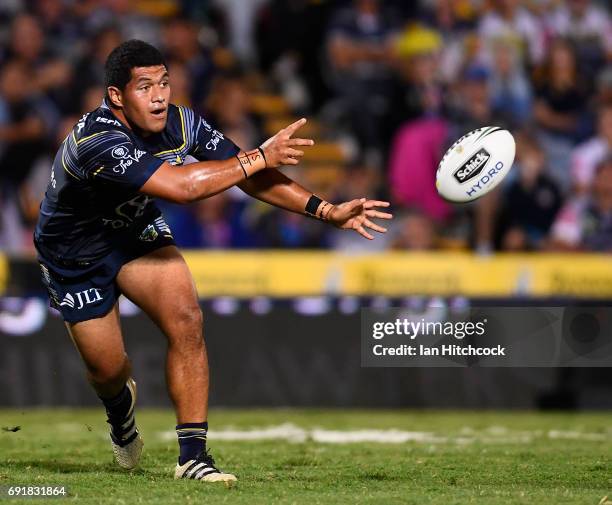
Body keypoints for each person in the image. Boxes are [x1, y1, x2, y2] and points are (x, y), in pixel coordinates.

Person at [33, 40, 392, 483]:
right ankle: (120, 414)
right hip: (73, 252)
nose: (161, 95)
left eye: (164, 82)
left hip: (133, 231)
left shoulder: (182, 122)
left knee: (186, 318)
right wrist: (258, 154)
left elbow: (248, 175)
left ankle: (192, 456)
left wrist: (325, 210)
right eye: (145, 87)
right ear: (116, 97)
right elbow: (184, 188)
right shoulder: (97, 139)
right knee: (108, 370)